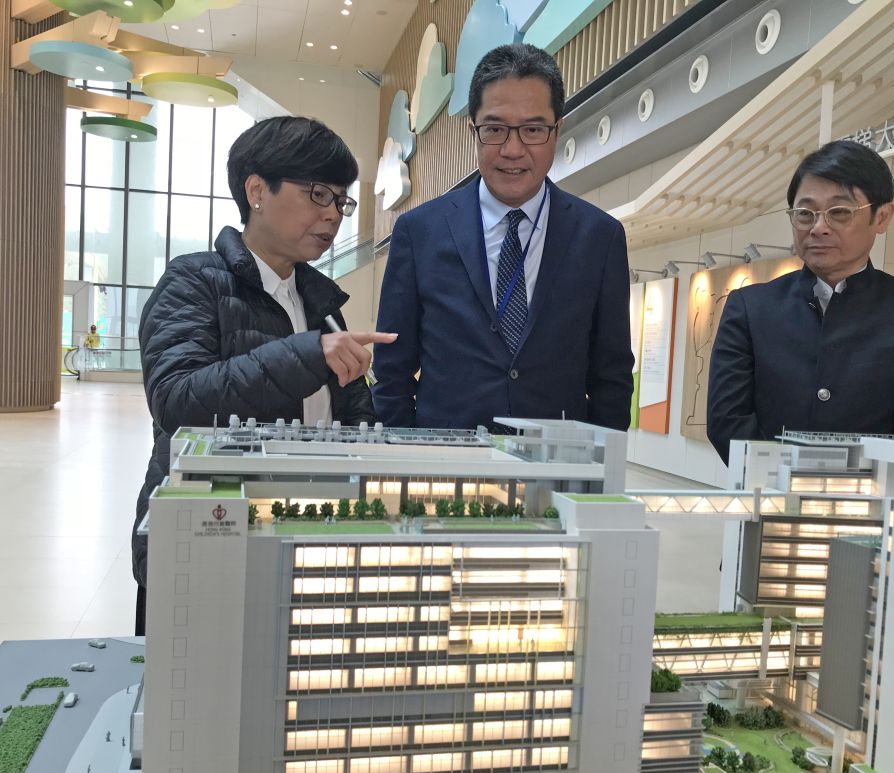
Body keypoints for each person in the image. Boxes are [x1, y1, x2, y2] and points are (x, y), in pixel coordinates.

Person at [130, 116, 396, 634]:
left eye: (341, 200)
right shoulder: (193, 282)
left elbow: (350, 420)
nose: (332, 215)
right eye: (318, 193)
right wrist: (306, 356)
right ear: (257, 190)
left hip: (307, 538)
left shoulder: (321, 303)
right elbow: (176, 400)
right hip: (210, 537)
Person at [372, 43, 633, 432]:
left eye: (532, 129)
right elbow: (391, 374)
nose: (512, 150)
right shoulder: (419, 232)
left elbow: (612, 378)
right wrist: (413, 455)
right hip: (444, 473)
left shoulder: (599, 237)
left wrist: (593, 472)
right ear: (473, 129)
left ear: (557, 129)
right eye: (494, 129)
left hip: (556, 473)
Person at [707, 139, 894, 464]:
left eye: (840, 212)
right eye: (805, 214)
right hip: (767, 502)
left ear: (881, 217)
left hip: (874, 508)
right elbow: (727, 421)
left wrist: (851, 494)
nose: (819, 228)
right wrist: (783, 489)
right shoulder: (750, 307)